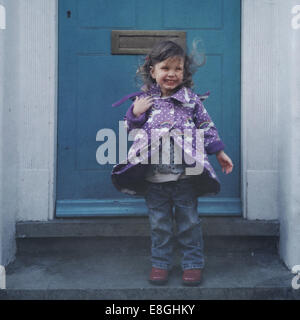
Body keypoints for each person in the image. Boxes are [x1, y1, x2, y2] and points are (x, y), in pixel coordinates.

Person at [111, 40, 233, 286]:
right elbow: (131, 130)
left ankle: (192, 264)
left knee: (189, 223)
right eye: (165, 68)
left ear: (184, 73)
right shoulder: (145, 100)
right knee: (160, 225)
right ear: (153, 71)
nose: (172, 74)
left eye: (178, 69)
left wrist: (219, 152)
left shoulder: (191, 101)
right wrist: (135, 113)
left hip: (185, 177)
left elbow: (206, 126)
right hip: (154, 179)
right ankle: (160, 264)